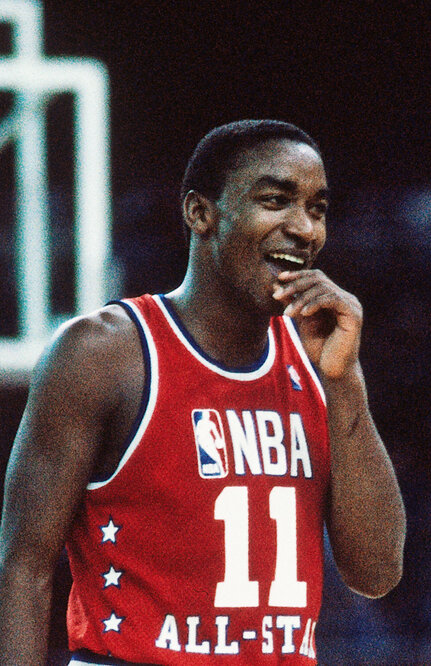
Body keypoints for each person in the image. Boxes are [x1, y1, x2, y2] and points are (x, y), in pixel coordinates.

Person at [0, 119, 406, 665]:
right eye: (276, 200)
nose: (304, 227)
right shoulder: (105, 353)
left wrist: (346, 382)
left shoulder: (320, 360)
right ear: (201, 213)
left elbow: (377, 573)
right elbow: (22, 569)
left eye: (317, 208)